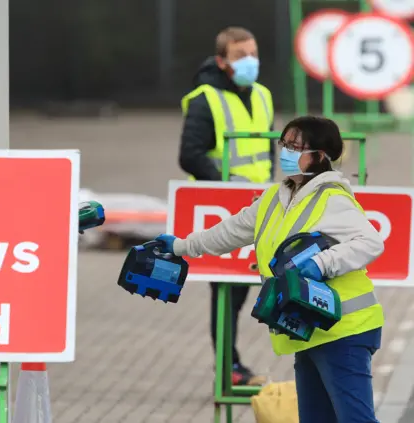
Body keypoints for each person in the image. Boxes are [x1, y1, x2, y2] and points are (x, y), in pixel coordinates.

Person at [160, 116, 384, 422]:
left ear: (319, 156)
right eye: (284, 145)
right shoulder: (274, 199)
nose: (285, 153)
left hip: (344, 330)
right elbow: (229, 231)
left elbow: (371, 242)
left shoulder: (332, 198)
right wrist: (181, 247)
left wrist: (321, 264)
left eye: (295, 146)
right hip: (309, 327)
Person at [178, 26, 275, 385]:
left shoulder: (262, 95)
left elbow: (268, 149)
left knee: (239, 289)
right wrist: (226, 181)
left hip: (256, 206)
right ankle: (228, 367)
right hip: (218, 210)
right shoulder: (205, 99)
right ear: (222, 61)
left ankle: (231, 366)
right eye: (240, 56)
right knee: (225, 291)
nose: (250, 61)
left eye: (253, 53)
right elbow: (189, 155)